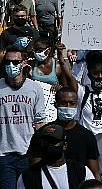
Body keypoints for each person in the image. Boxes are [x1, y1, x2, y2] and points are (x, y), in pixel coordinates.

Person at [27, 87, 101, 180]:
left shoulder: (87, 136)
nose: (68, 107)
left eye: (72, 104)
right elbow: (34, 170)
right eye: (63, 103)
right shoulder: (42, 133)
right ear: (56, 105)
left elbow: (94, 172)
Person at [0, 46, 48, 186]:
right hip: (3, 155)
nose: (11, 65)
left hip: (28, 154)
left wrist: (41, 151)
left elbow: (39, 121)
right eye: (8, 62)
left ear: (24, 63)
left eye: (15, 62)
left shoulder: (35, 88)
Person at [16, 123, 96, 189]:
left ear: (65, 145)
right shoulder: (27, 176)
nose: (49, 145)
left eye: (54, 141)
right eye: (46, 142)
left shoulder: (82, 171)